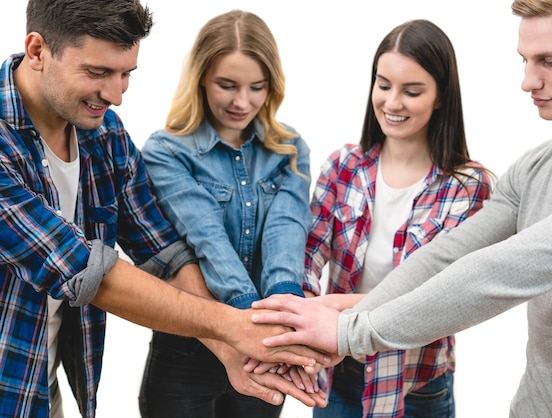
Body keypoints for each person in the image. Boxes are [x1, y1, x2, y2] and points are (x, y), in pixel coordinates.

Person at [252, 0, 552, 416]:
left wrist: (350, 330)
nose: (527, 81)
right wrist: (348, 311)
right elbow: (446, 256)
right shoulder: (535, 167)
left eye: (549, 61)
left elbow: (500, 271)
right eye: (525, 60)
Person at [0, 1, 327, 417]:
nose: (116, 96)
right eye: (98, 73)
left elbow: (163, 249)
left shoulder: (103, 134)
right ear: (37, 50)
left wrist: (230, 351)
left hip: (32, 379)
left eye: (125, 75)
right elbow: (85, 271)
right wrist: (233, 325)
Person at [299, 19, 491, 418]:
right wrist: (301, 307)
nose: (392, 102)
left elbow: (443, 295)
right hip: (340, 374)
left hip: (417, 384)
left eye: (412, 91)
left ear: (441, 97)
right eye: (383, 85)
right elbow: (308, 252)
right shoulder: (343, 166)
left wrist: (335, 314)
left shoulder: (468, 187)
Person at [138, 10, 312, 418]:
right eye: (227, 85)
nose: (242, 102)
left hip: (265, 347)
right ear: (201, 77)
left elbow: (286, 231)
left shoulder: (289, 148)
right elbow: (206, 237)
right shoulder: (166, 152)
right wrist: (247, 313)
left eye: (257, 87)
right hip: (187, 351)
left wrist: (283, 305)